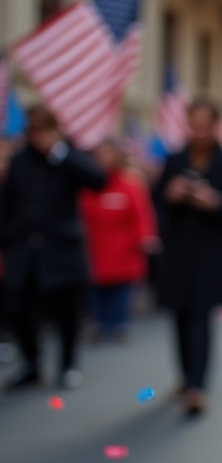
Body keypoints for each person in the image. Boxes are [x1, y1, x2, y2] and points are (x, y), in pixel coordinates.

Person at [0, 104, 105, 390]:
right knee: (17, 309)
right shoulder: (21, 160)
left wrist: (59, 153)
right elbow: (7, 203)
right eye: (33, 130)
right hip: (25, 252)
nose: (38, 137)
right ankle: (32, 364)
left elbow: (97, 180)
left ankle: (68, 364)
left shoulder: (68, 158)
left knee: (66, 313)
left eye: (43, 130)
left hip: (61, 252)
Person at [154, 100, 222, 416]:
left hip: (210, 251)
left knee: (201, 315)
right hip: (178, 250)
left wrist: (214, 201)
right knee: (178, 315)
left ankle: (197, 386)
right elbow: (157, 199)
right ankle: (185, 375)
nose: (200, 131)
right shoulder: (174, 159)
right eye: (195, 124)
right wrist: (171, 193)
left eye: (206, 124)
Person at [78, 139, 158, 341]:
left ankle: (119, 322)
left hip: (123, 246)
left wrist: (145, 237)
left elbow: (141, 214)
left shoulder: (128, 185)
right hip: (94, 245)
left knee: (121, 288)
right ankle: (100, 322)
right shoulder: (85, 186)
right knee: (96, 287)